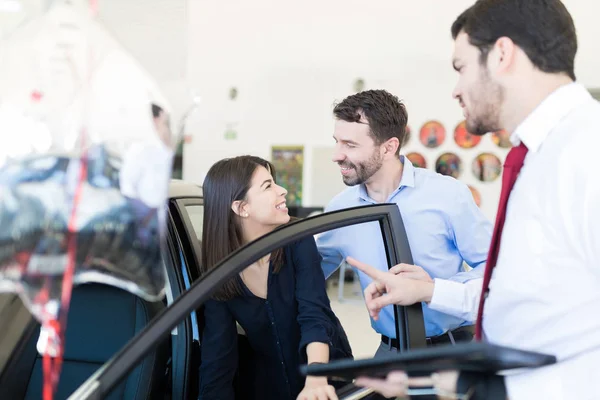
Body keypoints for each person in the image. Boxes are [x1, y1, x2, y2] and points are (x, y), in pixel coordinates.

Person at [349, 0, 600, 398]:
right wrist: (431, 292)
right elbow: (529, 301)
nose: (456, 89)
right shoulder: (539, 156)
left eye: (460, 67)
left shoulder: (588, 150)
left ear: (502, 54)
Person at [316, 89, 493, 355]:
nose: (336, 155)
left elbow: (493, 268)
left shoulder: (447, 195)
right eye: (337, 142)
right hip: (388, 351)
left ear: (389, 147)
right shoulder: (341, 208)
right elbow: (310, 272)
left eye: (350, 145)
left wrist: (433, 289)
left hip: (452, 348)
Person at [197, 155, 353, 400]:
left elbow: (314, 315)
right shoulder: (219, 271)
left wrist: (316, 380)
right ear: (241, 208)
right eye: (268, 186)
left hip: (324, 374)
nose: (282, 190)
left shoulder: (298, 240)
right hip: (268, 385)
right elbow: (218, 357)